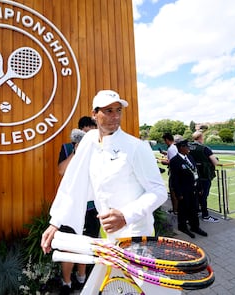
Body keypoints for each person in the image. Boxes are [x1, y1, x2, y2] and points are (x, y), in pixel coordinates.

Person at [41, 90, 168, 294]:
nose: (115, 116)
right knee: (112, 288)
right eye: (108, 111)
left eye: (118, 110)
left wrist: (125, 216)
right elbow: (73, 181)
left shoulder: (136, 147)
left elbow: (159, 191)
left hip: (137, 236)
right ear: (94, 114)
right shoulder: (90, 141)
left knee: (136, 290)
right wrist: (56, 221)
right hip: (107, 236)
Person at [56, 117, 99, 294]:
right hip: (72, 205)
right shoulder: (67, 147)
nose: (89, 136)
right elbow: (61, 170)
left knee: (87, 244)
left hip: (92, 207)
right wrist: (76, 151)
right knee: (69, 245)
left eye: (92, 132)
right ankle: (66, 282)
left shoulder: (99, 150)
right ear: (79, 132)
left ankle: (82, 277)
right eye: (85, 132)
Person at [169, 139, 208, 238]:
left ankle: (195, 227)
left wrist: (199, 188)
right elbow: (175, 179)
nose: (189, 149)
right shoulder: (175, 161)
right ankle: (183, 227)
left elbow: (196, 173)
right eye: (187, 147)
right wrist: (178, 194)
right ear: (181, 148)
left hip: (194, 189)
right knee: (183, 210)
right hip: (183, 191)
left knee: (194, 209)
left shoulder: (190, 157)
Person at [189, 131, 220, 223]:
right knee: (203, 196)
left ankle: (197, 211)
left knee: (196, 195)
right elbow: (215, 162)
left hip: (193, 175)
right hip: (204, 175)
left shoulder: (188, 146)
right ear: (200, 138)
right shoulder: (205, 148)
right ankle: (205, 215)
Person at [160, 133, 179, 214]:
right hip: (176, 172)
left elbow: (172, 162)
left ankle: (175, 210)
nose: (164, 142)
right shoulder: (173, 147)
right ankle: (176, 209)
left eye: (165, 141)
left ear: (167, 140)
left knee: (173, 192)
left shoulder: (171, 149)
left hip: (174, 173)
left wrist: (163, 162)